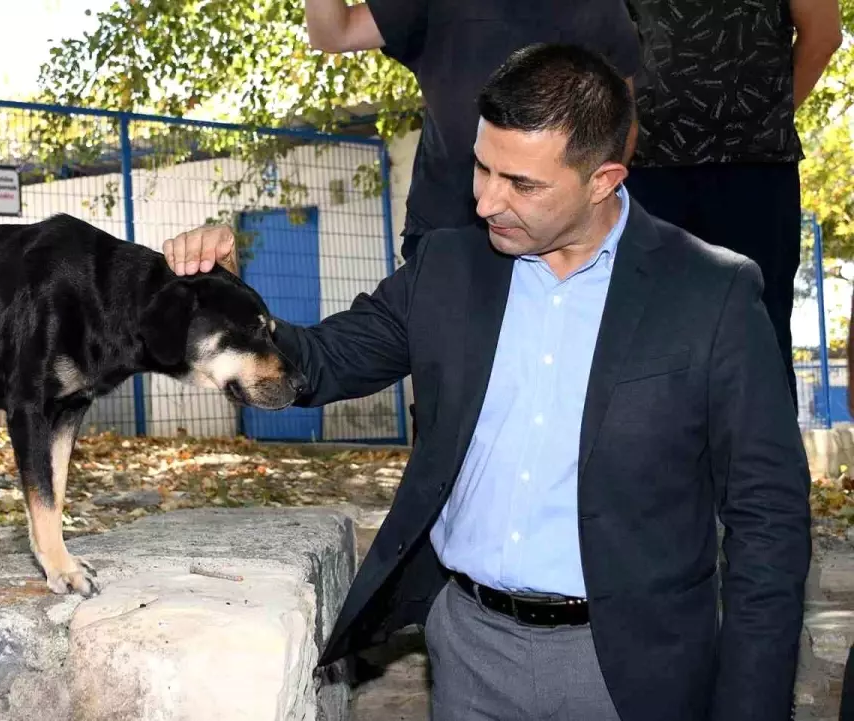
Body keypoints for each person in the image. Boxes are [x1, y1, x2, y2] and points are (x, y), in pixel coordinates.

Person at [163, 43, 812, 721]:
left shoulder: (711, 291)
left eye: (521, 183)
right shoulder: (448, 266)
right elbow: (316, 363)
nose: (485, 199)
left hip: (634, 667)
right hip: (468, 652)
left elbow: (769, 519)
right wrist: (222, 294)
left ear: (604, 178)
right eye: (482, 165)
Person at [621, 0, 843, 408]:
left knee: (754, 335)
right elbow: (608, 43)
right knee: (646, 345)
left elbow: (824, 34)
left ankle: (763, 471)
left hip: (751, 172)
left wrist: (762, 119)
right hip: (646, 172)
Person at [303, 0, 643, 262]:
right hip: (449, 223)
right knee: (442, 348)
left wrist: (582, 212)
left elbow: (621, 123)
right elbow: (335, 33)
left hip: (555, 240)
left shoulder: (597, 7)